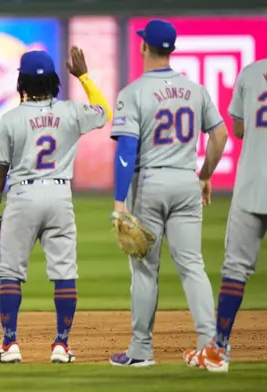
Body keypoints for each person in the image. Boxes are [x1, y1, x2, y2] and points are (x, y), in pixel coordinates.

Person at [107, 19, 229, 367]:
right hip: (186, 181)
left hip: (150, 184)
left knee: (145, 269)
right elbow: (219, 137)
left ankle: (141, 351)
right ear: (171, 49)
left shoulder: (133, 92)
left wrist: (119, 201)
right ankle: (212, 348)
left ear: (145, 47)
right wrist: (204, 175)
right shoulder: (195, 89)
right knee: (193, 266)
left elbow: (127, 150)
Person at [0, 49, 112, 363]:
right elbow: (104, 112)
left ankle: (10, 344)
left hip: (23, 197)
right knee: (64, 272)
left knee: (10, 273)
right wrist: (83, 76)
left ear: (20, 81)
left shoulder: (10, 120)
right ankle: (62, 345)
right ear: (54, 79)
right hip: (59, 196)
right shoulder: (71, 112)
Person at [186, 59, 267, 373]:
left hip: (252, 184)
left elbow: (239, 128)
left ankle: (218, 349)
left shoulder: (250, 73)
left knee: (235, 268)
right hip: (250, 183)